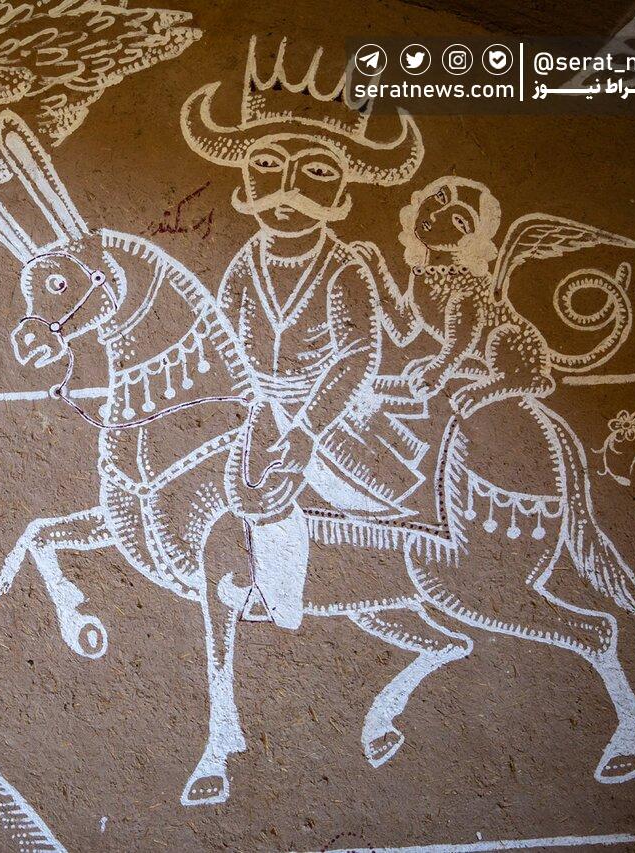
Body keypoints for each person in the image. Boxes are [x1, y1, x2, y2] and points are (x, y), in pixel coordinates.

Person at [180, 40, 425, 629]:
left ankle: (281, 599)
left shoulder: (343, 268)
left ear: (341, 194)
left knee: (274, 489)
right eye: (267, 165)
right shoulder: (247, 261)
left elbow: (359, 352)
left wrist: (308, 428)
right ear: (246, 181)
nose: (286, 189)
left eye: (315, 172)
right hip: (257, 405)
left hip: (331, 412)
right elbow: (221, 334)